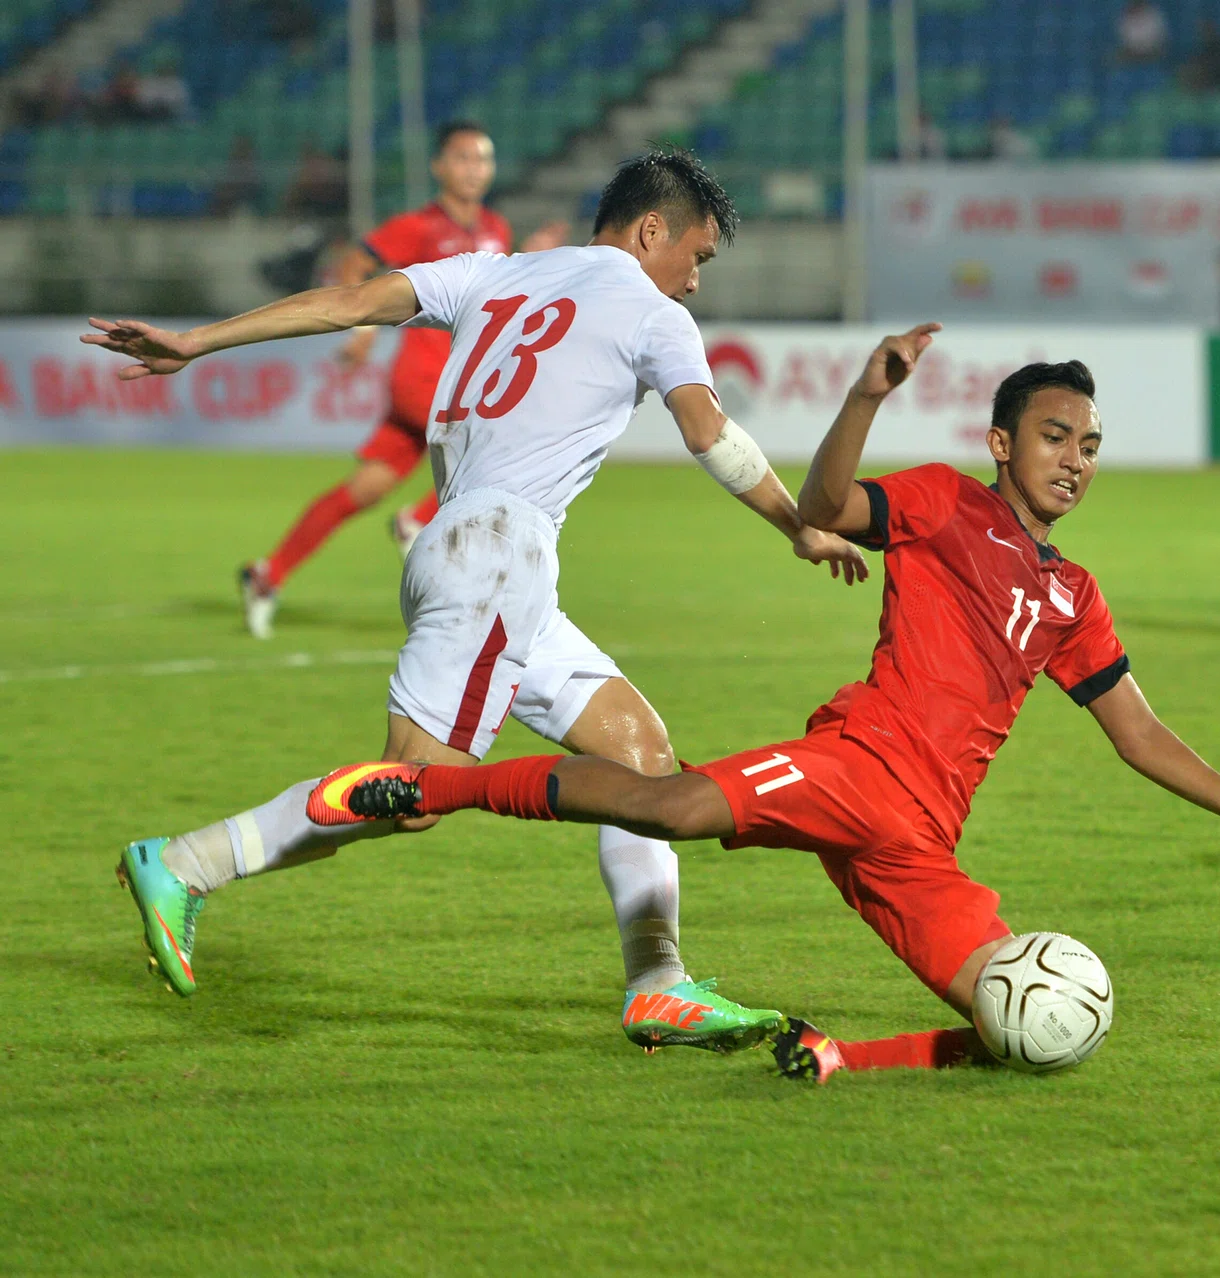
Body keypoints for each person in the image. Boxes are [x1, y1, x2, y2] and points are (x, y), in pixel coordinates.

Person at [304, 333, 1220, 1084]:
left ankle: (840, 1057)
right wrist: (866, 396)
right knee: (669, 807)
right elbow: (824, 510)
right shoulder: (948, 505)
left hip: (921, 840)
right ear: (1002, 443)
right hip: (858, 765)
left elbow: (1139, 732)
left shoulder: (1074, 597)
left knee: (1015, 1027)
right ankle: (429, 784)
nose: (1076, 459)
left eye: (1089, 444)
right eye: (1055, 436)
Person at [88, 147, 874, 1053]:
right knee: (411, 792)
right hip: (500, 553)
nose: (695, 281)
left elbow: (348, 303)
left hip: (468, 549)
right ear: (651, 230)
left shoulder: (494, 272)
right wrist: (796, 525)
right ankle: (187, 864)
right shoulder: (652, 312)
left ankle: (659, 985)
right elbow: (710, 433)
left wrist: (197, 341)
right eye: (695, 255)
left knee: (641, 757)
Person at [239, 122, 568, 640]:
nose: (473, 168)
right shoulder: (417, 226)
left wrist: (531, 254)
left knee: (361, 490)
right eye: (462, 158)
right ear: (439, 167)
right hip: (427, 380)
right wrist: (365, 327)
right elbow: (355, 260)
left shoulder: (496, 229)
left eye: (483, 159)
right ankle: (415, 520)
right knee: (503, 452)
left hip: (454, 379)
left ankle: (267, 574)